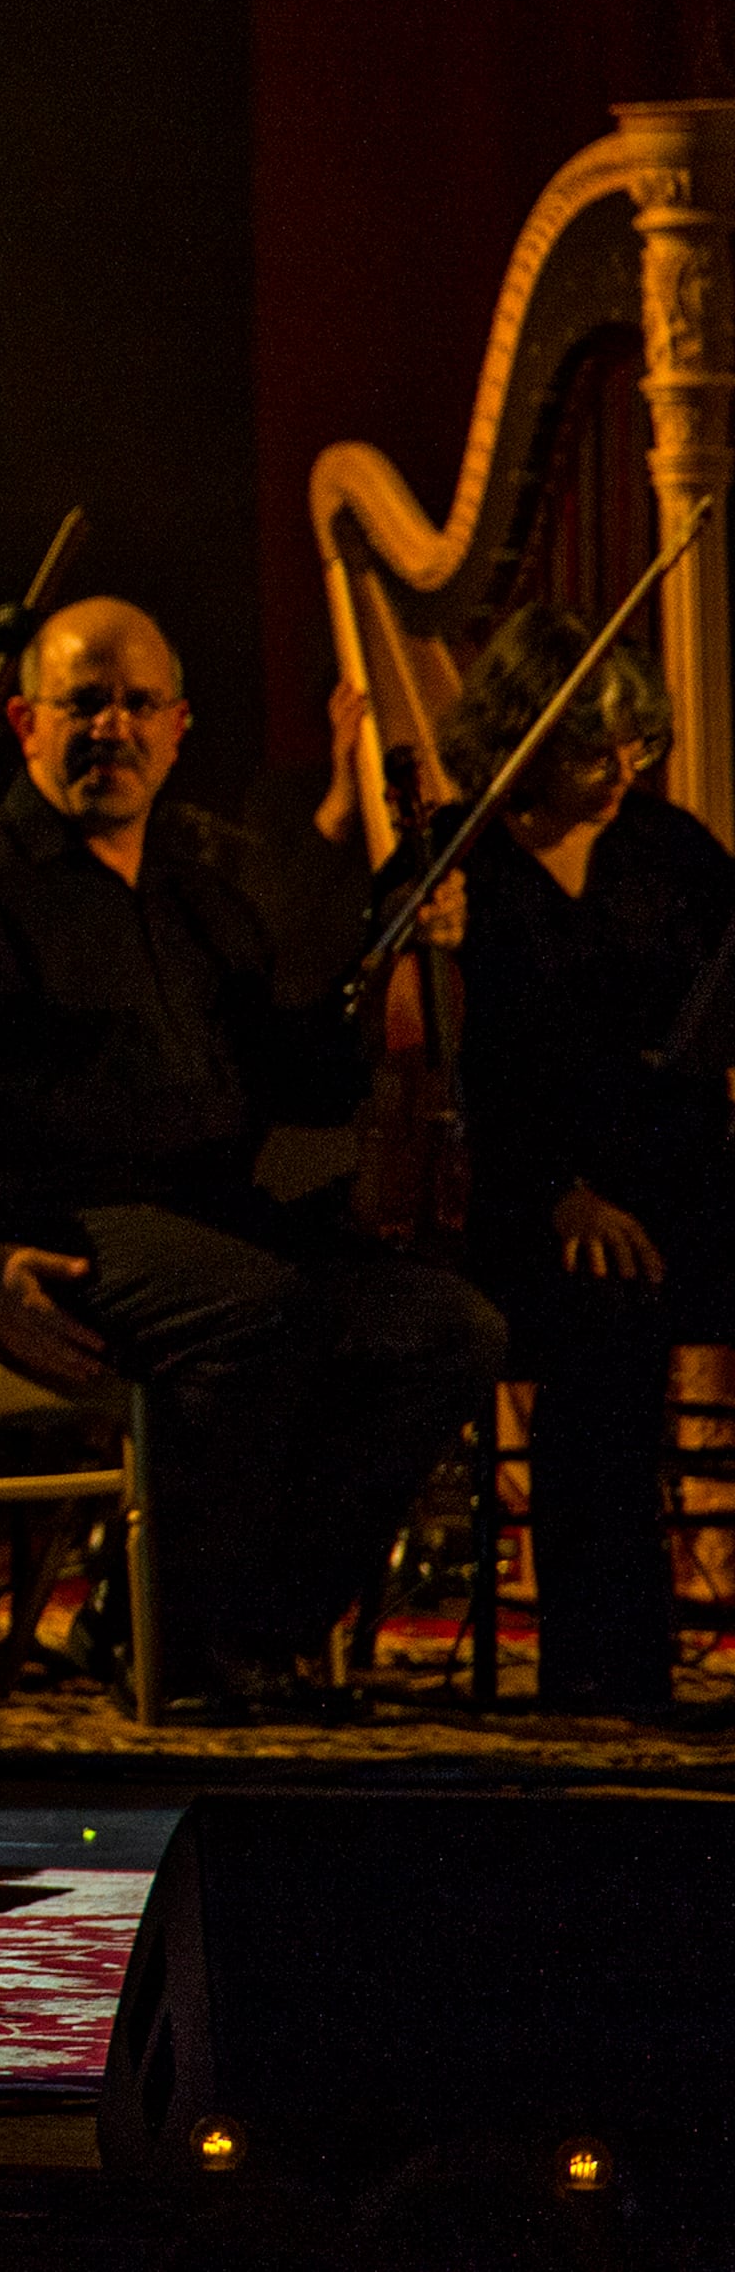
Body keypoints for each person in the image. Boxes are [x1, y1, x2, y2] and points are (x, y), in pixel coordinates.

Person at [0, 596, 505, 1716]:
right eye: (84, 703)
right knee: (259, 1307)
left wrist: (396, 943)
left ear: (179, 727)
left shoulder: (196, 892)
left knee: (445, 1324)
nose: (110, 729)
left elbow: (297, 1082)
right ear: (26, 722)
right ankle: (187, 1643)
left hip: (204, 1220)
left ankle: (236, 1628)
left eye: (136, 705)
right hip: (54, 1233)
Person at [442, 609, 735, 1719]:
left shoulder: (668, 849)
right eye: (588, 749)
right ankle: (605, 1665)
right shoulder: (463, 864)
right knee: (605, 1308)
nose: (622, 771)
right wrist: (559, 1190)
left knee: (643, 1272)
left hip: (679, 1180)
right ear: (523, 733)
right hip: (529, 1201)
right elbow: (460, 1082)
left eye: (637, 746)